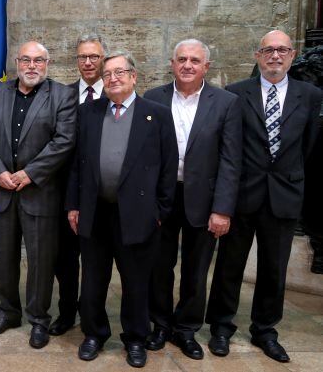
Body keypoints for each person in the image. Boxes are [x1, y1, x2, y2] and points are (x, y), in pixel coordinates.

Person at [206, 30, 322, 363]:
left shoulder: (310, 94)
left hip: (284, 194)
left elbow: (309, 145)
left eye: (282, 50)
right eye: (268, 50)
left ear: (293, 54)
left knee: (274, 267)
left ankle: (265, 330)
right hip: (243, 193)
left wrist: (292, 179)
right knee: (230, 265)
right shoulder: (236, 93)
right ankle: (221, 327)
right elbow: (229, 146)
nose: (275, 56)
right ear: (258, 55)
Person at [67, 50, 177, 367]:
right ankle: (94, 334)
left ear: (133, 76)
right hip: (95, 212)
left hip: (138, 216)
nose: (112, 79)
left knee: (135, 282)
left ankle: (135, 339)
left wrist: (160, 212)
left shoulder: (156, 114)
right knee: (93, 281)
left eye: (119, 72)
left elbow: (169, 169)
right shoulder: (88, 112)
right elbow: (76, 163)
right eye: (107, 74)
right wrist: (73, 205)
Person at [143, 39, 241, 360]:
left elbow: (230, 160)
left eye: (194, 60)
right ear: (172, 63)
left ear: (206, 67)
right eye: (181, 59)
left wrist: (223, 209)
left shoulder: (226, 103)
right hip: (164, 197)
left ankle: (186, 329)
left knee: (196, 270)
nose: (187, 65)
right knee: (159, 266)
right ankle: (159, 324)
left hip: (205, 200)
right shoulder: (153, 98)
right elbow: (144, 156)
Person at [0, 41, 77, 349]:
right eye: (26, 60)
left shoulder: (62, 95)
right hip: (3, 190)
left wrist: (29, 173)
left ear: (47, 64)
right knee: (4, 259)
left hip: (40, 192)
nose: (31, 65)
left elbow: (63, 142)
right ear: (17, 63)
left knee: (40, 262)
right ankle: (8, 312)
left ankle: (38, 319)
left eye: (38, 60)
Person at [50, 33, 110, 337]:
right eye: (82, 57)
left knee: (97, 261)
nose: (88, 62)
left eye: (94, 57)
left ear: (104, 59)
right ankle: (66, 311)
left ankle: (93, 313)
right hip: (66, 192)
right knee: (66, 259)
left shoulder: (116, 94)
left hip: (104, 195)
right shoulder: (63, 95)